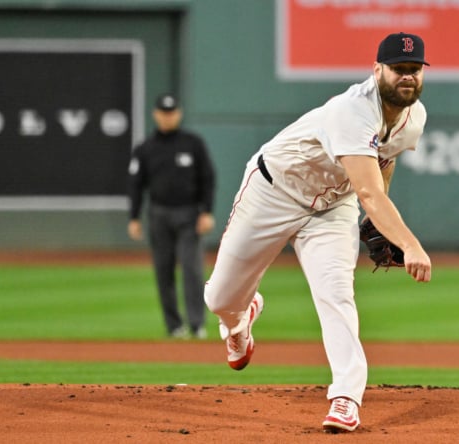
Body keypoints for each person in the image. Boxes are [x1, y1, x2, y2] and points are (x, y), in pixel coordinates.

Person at [203, 32, 432, 433]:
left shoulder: (415, 118)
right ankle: (239, 320)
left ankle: (346, 397)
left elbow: (384, 160)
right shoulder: (352, 111)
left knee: (336, 294)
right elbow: (369, 193)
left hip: (332, 208)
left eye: (414, 69)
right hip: (273, 192)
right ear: (377, 70)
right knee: (219, 298)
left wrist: (373, 222)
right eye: (398, 68)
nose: (407, 76)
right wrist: (409, 243)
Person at [127, 94, 216, 339]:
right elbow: (135, 184)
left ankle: (196, 324)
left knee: (192, 269)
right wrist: (134, 217)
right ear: (156, 114)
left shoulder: (193, 143)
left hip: (189, 213)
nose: (168, 117)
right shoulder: (145, 148)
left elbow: (207, 178)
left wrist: (207, 211)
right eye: (163, 112)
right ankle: (174, 326)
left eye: (172, 112)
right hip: (159, 214)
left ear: (179, 113)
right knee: (163, 270)